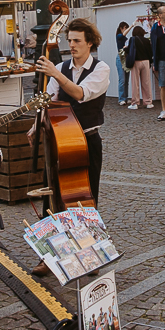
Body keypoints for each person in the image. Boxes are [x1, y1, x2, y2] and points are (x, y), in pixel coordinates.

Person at [37, 18, 109, 203]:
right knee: (53, 192)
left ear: (90, 42)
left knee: (87, 195)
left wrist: (56, 74)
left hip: (87, 140)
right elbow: (48, 101)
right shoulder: (61, 68)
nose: (72, 45)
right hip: (59, 141)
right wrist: (36, 124)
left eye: (77, 41)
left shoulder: (100, 69)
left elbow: (80, 93)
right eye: (69, 40)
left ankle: (87, 231)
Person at [128, 20, 155, 110]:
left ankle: (135, 103)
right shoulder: (147, 40)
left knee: (135, 83)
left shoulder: (133, 39)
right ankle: (148, 102)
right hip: (146, 61)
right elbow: (150, 52)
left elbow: (130, 51)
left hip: (136, 61)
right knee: (146, 82)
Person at [115, 20, 137, 107]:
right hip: (120, 58)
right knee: (122, 79)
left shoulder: (125, 38)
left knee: (126, 80)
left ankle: (125, 97)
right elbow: (123, 34)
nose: (126, 30)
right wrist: (131, 26)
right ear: (121, 28)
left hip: (126, 57)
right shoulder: (119, 36)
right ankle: (121, 98)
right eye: (125, 28)